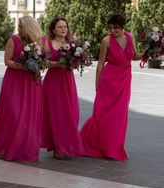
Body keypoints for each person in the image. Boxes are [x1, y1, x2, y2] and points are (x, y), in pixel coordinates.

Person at [80, 13, 139, 160]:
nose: (112, 31)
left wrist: (149, 53)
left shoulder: (130, 37)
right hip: (108, 80)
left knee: (119, 114)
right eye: (110, 27)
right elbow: (100, 63)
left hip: (124, 79)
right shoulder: (106, 41)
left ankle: (113, 148)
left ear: (122, 27)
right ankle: (94, 144)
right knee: (102, 114)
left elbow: (135, 55)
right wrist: (97, 84)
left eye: (116, 28)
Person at [0, 16, 43, 162]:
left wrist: (38, 65)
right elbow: (7, 61)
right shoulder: (13, 40)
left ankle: (26, 148)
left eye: (21, 26)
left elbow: (43, 60)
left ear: (29, 27)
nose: (19, 29)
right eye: (18, 26)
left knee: (29, 116)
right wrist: (25, 66)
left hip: (32, 82)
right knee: (13, 114)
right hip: (14, 81)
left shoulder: (39, 42)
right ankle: (9, 147)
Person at [41, 17, 83, 159]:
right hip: (53, 82)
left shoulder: (72, 44)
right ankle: (57, 147)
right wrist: (58, 64)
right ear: (53, 30)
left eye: (65, 26)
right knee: (56, 114)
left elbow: (77, 62)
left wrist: (77, 62)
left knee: (71, 113)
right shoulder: (47, 44)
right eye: (59, 27)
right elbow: (43, 62)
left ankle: (67, 143)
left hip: (68, 82)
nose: (63, 29)